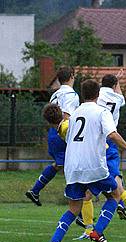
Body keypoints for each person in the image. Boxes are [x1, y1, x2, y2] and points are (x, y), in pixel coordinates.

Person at [46, 79, 126, 242]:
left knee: (74, 208)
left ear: (83, 93)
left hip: (73, 167)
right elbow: (113, 134)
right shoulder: (102, 112)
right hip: (93, 165)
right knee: (116, 194)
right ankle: (98, 231)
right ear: (98, 94)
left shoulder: (74, 114)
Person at [76, 71, 126, 240]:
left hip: (102, 144)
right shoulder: (118, 99)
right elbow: (119, 95)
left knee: (115, 190)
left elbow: (94, 90)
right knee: (88, 193)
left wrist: (113, 80)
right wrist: (117, 81)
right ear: (114, 86)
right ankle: (89, 230)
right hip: (104, 144)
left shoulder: (95, 96)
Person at [25, 67, 79, 206]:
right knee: (76, 169)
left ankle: (35, 190)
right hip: (63, 133)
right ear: (72, 76)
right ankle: (79, 208)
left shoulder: (55, 94)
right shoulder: (72, 95)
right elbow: (66, 116)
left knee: (59, 165)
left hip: (52, 132)